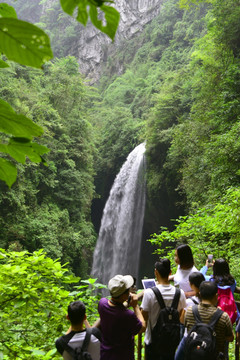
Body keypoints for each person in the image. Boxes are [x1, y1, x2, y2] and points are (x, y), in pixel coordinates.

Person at [141, 258, 187, 360]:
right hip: (171, 342)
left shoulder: (149, 293)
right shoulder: (180, 293)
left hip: (152, 342)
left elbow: (143, 317)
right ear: (170, 272)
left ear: (156, 272)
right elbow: (181, 316)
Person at [98, 274, 146, 360]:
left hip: (106, 355)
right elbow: (142, 327)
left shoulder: (102, 304)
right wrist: (135, 306)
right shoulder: (127, 315)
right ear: (124, 295)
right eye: (128, 291)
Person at [184, 281, 234, 359]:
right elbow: (230, 338)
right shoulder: (223, 316)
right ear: (216, 296)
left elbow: (187, 327)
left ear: (200, 294)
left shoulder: (190, 311)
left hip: (194, 356)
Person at [175, 272, 205, 360]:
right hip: (204, 337)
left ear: (192, 285)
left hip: (189, 337)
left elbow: (182, 320)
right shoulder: (208, 300)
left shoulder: (189, 302)